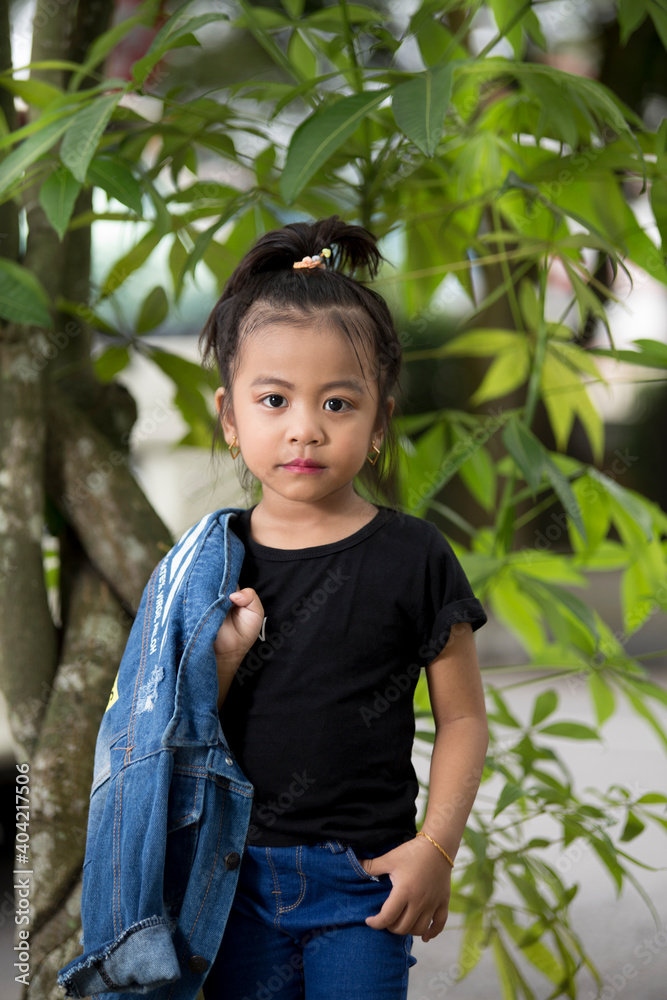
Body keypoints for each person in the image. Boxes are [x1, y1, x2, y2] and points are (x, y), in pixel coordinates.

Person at [199, 216, 488, 1000]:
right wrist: (221, 662)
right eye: (273, 399)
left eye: (337, 402)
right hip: (229, 886)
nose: (304, 428)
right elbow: (174, 733)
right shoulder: (210, 563)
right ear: (230, 415)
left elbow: (463, 718)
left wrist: (436, 847)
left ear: (380, 419)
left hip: (364, 884)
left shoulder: (413, 557)